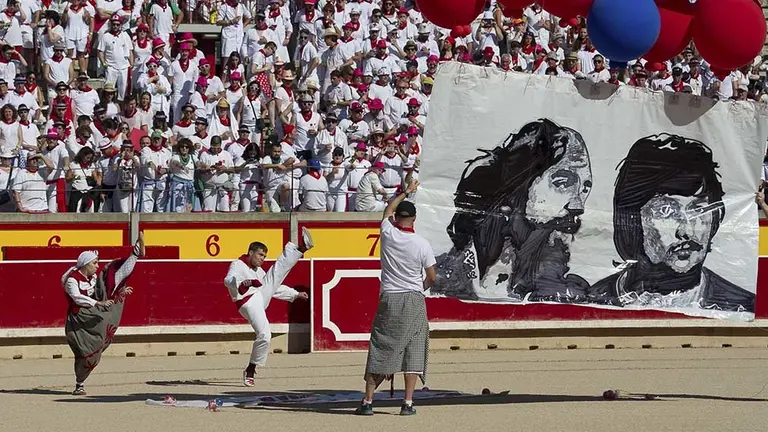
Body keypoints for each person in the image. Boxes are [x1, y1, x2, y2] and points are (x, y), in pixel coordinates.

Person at [356, 179, 435, 416]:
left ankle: (368, 401)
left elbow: (387, 209)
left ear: (397, 218)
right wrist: (420, 287)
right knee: (414, 349)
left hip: (390, 296)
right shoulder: (421, 244)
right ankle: (408, 403)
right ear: (414, 219)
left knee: (381, 346)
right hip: (412, 297)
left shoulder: (388, 233)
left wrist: (405, 192)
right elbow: (432, 276)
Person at [223, 227, 314, 386]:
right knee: (265, 335)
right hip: (247, 302)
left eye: (264, 256)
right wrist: (241, 284)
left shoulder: (257, 270)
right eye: (260, 255)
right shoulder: (237, 264)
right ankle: (251, 369)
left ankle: (300, 248)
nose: (262, 259)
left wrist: (294, 294)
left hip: (258, 297)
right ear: (250, 253)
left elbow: (274, 286)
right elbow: (228, 280)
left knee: (274, 275)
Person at [63, 232, 145, 395]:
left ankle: (135, 253)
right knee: (84, 353)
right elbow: (78, 298)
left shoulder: (93, 278)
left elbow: (105, 287)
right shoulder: (72, 279)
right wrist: (98, 303)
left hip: (94, 317)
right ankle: (80, 383)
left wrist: (119, 291)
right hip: (80, 321)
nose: (97, 265)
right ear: (85, 264)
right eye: (94, 263)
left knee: (112, 276)